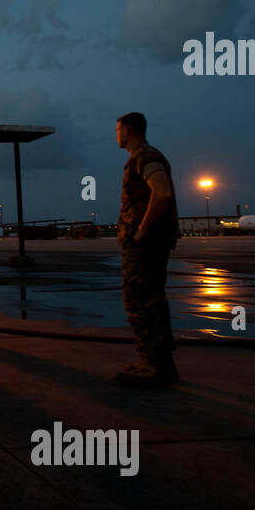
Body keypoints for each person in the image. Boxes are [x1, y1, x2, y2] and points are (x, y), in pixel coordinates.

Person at [115, 112, 179, 386]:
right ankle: (158, 362)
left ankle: (153, 365)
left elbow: (161, 192)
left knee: (140, 300)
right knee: (151, 299)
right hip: (148, 242)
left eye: (118, 130)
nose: (116, 135)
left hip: (145, 245)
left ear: (127, 130)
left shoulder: (145, 157)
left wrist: (142, 229)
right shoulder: (141, 157)